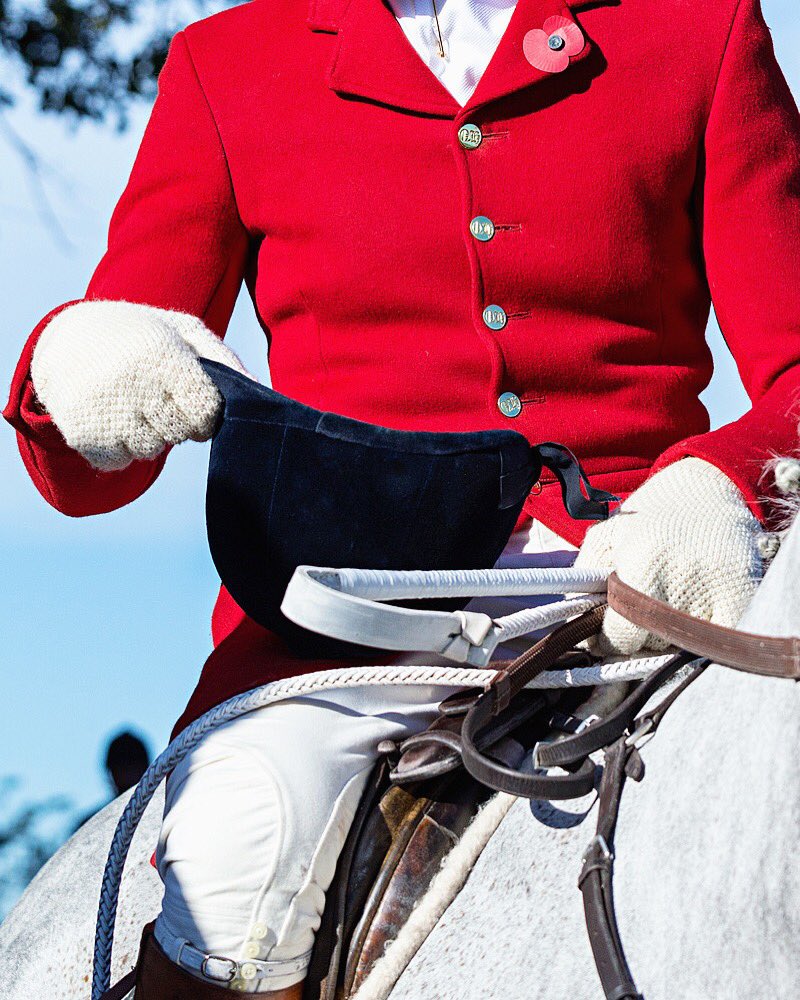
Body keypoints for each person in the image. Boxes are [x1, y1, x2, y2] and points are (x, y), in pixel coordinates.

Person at [4, 0, 800, 995]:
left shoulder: (700, 33)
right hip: (345, 618)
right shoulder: (227, 65)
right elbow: (95, 467)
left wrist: (723, 483)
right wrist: (79, 366)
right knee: (236, 860)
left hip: (641, 578)